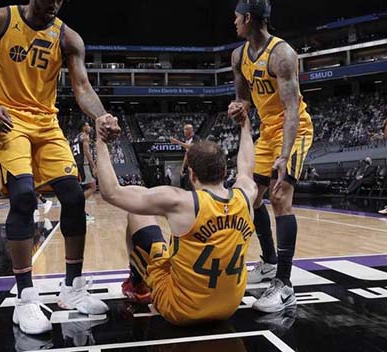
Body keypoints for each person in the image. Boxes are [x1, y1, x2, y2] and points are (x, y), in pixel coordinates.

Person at [0, 0, 120, 335]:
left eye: (60, 1)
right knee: (22, 197)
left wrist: (101, 115)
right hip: (8, 120)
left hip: (46, 123)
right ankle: (26, 296)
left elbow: (82, 88)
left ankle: (72, 288)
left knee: (74, 197)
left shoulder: (68, 38)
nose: (53, 7)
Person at [95, 112, 258, 324]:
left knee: (137, 213)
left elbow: (111, 193)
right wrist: (245, 125)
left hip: (181, 310)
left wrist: (101, 141)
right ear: (225, 170)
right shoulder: (246, 194)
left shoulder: (181, 202)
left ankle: (137, 285)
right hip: (229, 307)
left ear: (192, 174)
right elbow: (246, 166)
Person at [229, 0, 313, 312]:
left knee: (279, 197)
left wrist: (284, 155)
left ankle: (284, 284)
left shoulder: (282, 54)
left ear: (248, 18)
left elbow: (292, 110)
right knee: (250, 197)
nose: (234, 22)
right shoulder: (238, 56)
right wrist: (238, 109)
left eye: (237, 17)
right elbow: (243, 100)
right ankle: (268, 262)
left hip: (294, 129)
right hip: (266, 131)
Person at [71, 120, 97, 220]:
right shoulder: (85, 136)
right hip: (83, 164)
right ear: (83, 127)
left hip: (77, 164)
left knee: (81, 189)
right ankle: (77, 209)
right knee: (92, 187)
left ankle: (79, 212)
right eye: (87, 125)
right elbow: (87, 152)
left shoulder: (76, 137)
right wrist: (93, 166)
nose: (89, 127)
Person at [170, 123, 201, 190]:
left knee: (195, 184)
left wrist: (177, 142)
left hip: (196, 164)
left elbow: (191, 147)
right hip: (189, 164)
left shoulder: (196, 138)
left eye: (185, 129)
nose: (184, 131)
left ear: (190, 130)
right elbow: (187, 154)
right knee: (187, 185)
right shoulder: (187, 140)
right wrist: (182, 167)